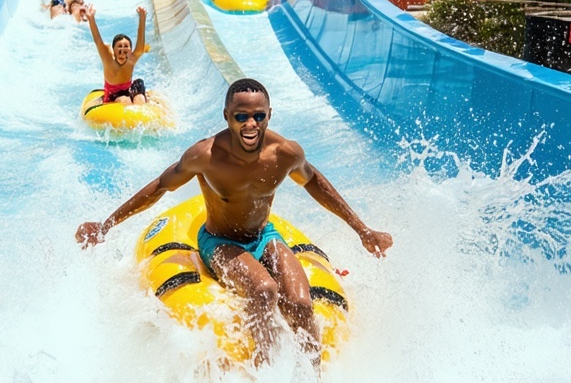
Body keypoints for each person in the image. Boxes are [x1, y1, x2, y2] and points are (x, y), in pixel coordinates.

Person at [76, 78, 392, 366]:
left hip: (264, 236)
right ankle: (266, 376)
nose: (251, 124)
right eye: (241, 116)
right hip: (220, 242)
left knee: (300, 302)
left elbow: (314, 182)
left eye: (259, 116)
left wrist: (363, 230)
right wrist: (105, 226)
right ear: (227, 116)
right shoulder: (206, 155)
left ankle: (313, 381)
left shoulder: (285, 152)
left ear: (270, 114)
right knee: (264, 290)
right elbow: (160, 186)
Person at [85, 4, 148, 105]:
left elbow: (140, 45)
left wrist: (142, 18)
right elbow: (98, 41)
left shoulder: (131, 60)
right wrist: (91, 19)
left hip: (128, 90)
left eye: (126, 46)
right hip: (113, 94)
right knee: (125, 100)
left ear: (131, 50)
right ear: (113, 50)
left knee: (139, 94)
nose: (123, 49)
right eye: (120, 46)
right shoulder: (108, 59)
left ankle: (142, 112)